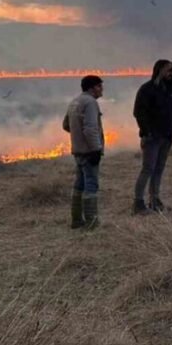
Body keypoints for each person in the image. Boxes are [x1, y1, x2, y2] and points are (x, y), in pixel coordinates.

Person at [131, 59, 172, 215]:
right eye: (168, 71)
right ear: (159, 71)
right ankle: (138, 204)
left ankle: (155, 201)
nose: (170, 74)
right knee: (148, 169)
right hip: (152, 138)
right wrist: (147, 132)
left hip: (167, 137)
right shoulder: (147, 89)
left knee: (159, 169)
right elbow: (139, 112)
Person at [62, 75, 106, 229]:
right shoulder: (90, 103)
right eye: (99, 86)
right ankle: (91, 222)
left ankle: (76, 220)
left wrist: (78, 136)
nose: (102, 89)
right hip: (89, 151)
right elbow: (90, 129)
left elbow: (66, 125)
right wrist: (95, 149)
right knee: (91, 185)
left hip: (78, 151)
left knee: (79, 185)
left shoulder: (75, 101)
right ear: (92, 88)